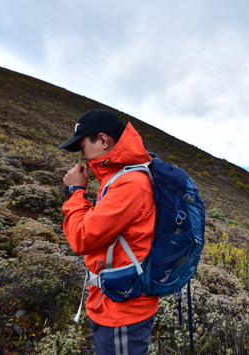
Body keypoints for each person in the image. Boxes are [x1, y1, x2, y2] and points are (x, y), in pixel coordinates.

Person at [58, 109, 158, 355]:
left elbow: (82, 237)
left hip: (122, 311)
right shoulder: (116, 176)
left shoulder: (129, 184)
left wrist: (75, 192)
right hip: (111, 302)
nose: (81, 156)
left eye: (83, 147)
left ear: (103, 141)